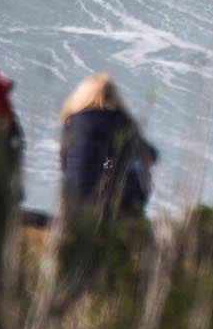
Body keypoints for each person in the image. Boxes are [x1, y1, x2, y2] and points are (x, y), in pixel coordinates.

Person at [58, 73, 157, 219]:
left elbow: (65, 166)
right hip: (115, 212)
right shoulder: (125, 126)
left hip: (73, 210)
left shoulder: (71, 125)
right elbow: (152, 155)